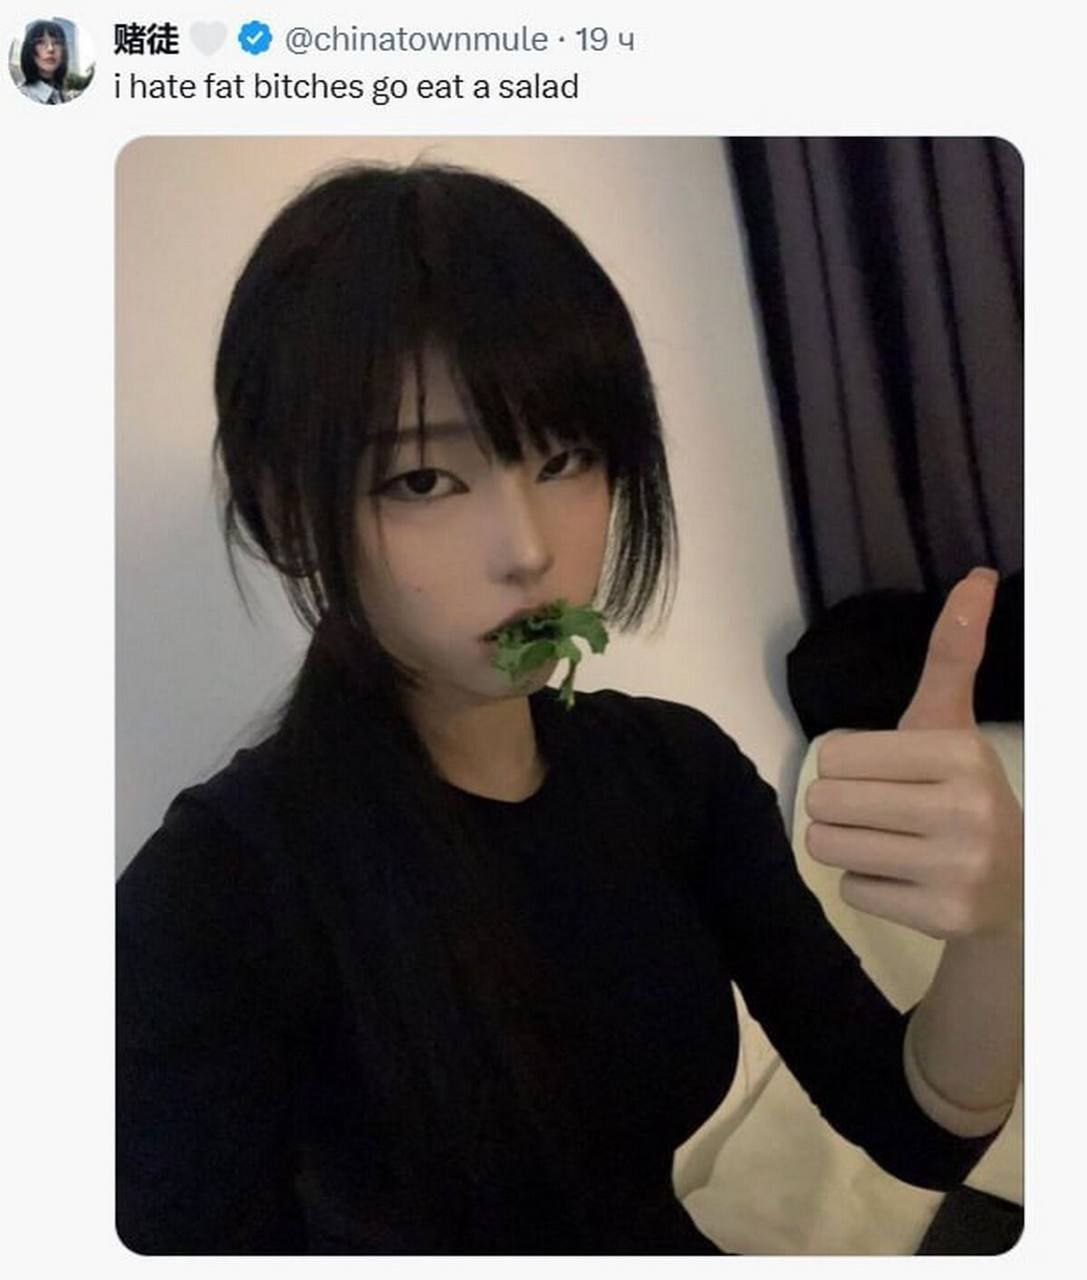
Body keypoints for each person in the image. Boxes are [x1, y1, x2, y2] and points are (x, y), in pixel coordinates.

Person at [115, 161, 1022, 1255]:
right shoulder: (215, 893)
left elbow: (914, 1122)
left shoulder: (673, 772)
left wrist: (1005, 925)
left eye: (566, 457)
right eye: (422, 480)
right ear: (290, 513)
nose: (529, 550)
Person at [18, 20, 71, 104]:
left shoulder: (64, 96)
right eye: (41, 42)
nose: (51, 49)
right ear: (29, 49)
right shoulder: (22, 95)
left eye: (57, 43)